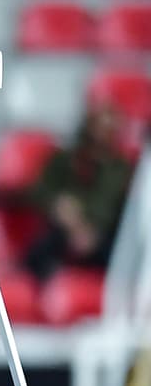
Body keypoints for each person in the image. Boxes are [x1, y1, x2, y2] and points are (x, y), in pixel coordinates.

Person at [24, 105, 133, 280]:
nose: (104, 133)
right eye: (100, 127)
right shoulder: (65, 159)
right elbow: (39, 192)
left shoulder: (119, 168)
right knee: (36, 255)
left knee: (120, 255)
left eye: (110, 129)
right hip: (62, 231)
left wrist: (86, 227)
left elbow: (114, 206)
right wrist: (58, 204)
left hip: (101, 235)